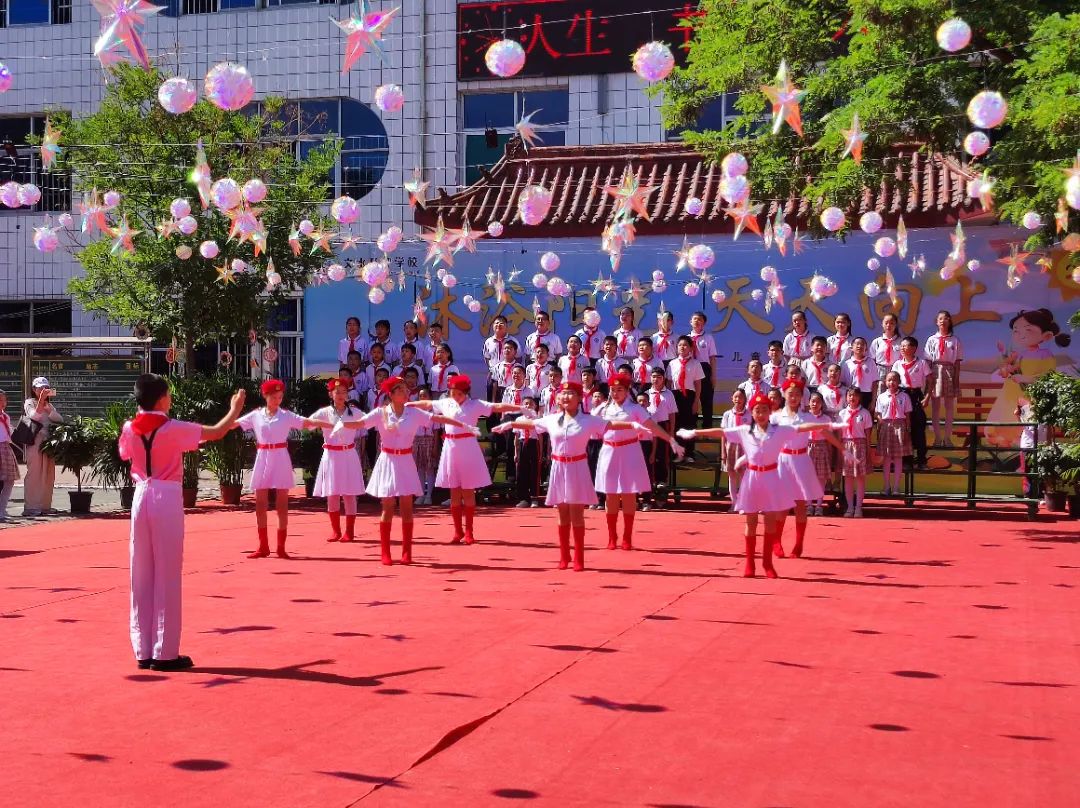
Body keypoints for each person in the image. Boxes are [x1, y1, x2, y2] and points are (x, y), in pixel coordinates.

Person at [119, 373, 245, 671]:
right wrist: (235, 408)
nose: (171, 399)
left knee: (141, 574)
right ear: (161, 398)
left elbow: (125, 454)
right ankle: (165, 653)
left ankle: (144, 649)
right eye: (168, 395)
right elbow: (215, 432)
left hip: (140, 496)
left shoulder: (128, 427)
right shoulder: (172, 427)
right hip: (166, 495)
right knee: (167, 574)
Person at [492, 382, 647, 571]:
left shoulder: (588, 420)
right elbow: (532, 423)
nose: (566, 397)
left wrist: (634, 424)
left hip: (578, 467)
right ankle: (564, 555)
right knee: (562, 513)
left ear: (580, 399)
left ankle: (579, 557)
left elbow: (610, 424)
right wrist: (510, 423)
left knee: (577, 514)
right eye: (563, 394)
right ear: (558, 398)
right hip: (558, 468)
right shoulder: (552, 419)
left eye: (571, 394)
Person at [679, 393, 838, 577]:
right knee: (751, 521)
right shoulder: (745, 430)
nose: (761, 414)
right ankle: (750, 563)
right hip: (752, 478)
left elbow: (803, 428)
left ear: (770, 412)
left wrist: (828, 425)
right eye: (757, 410)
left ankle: (767, 563)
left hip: (771, 476)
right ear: (752, 413)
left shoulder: (779, 430)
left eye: (764, 410)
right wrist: (695, 432)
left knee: (770, 521)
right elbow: (721, 432)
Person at [351, 376, 474, 564]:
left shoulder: (413, 413)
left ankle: (406, 552)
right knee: (388, 506)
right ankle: (385, 552)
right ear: (390, 394)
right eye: (400, 390)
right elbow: (360, 424)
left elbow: (435, 418)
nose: (405, 392)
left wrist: (462, 424)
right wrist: (339, 425)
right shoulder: (380, 412)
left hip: (406, 460)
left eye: (405, 389)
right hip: (387, 461)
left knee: (407, 507)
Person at [408, 374, 522, 544]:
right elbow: (427, 404)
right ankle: (457, 530)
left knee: (468, 492)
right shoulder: (446, 402)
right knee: (454, 492)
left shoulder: (475, 404)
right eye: (453, 393)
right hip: (450, 448)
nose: (455, 397)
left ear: (466, 392)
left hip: (468, 447)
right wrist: (409, 404)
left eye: (459, 394)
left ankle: (469, 531)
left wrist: (518, 408)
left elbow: (497, 406)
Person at [237, 380, 334, 559]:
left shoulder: (286, 415)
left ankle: (281, 547)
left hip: (280, 456)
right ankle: (263, 546)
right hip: (263, 457)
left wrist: (331, 424)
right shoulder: (256, 415)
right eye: (273, 397)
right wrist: (210, 433)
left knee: (282, 504)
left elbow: (306, 422)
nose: (277, 400)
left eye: (280, 397)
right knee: (260, 503)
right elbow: (233, 424)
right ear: (265, 396)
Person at [593, 373, 683, 550]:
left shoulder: (635, 409)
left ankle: (627, 536)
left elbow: (652, 426)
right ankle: (612, 535)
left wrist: (670, 439)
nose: (616, 393)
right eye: (613, 390)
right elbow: (589, 426)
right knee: (610, 494)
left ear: (627, 391)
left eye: (620, 390)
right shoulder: (602, 408)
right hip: (609, 451)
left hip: (629, 451)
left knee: (628, 494)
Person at [771, 380, 844, 558]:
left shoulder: (807, 416)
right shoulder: (776, 417)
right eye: (790, 393)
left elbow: (826, 433)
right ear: (784, 394)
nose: (794, 397)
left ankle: (798, 543)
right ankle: (777, 541)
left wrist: (843, 449)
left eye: (797, 394)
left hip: (802, 460)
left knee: (800, 505)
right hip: (783, 461)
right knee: (782, 506)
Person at [311, 379, 366, 544]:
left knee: (349, 494)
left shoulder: (354, 412)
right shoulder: (324, 412)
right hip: (331, 455)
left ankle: (349, 531)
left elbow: (371, 421)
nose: (341, 395)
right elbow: (307, 424)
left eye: (344, 392)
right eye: (337, 392)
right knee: (332, 494)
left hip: (348, 454)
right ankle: (336, 531)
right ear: (331, 394)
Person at [22, 377, 63, 517]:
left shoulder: (49, 405)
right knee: (35, 473)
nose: (43, 391)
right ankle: (31, 507)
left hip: (48, 443)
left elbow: (60, 420)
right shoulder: (29, 402)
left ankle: (45, 506)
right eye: (40, 388)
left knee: (48, 474)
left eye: (45, 388)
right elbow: (34, 417)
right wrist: (41, 403)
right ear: (34, 390)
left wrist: (49, 410)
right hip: (35, 441)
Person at [924, 309, 963, 447]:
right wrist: (928, 380)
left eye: (946, 318)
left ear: (950, 321)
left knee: (949, 406)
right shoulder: (931, 339)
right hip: (935, 370)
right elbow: (928, 361)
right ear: (936, 322)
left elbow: (957, 362)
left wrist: (956, 380)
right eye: (940, 318)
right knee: (935, 407)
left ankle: (947, 438)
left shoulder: (955, 340)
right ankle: (937, 438)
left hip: (950, 371)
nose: (943, 320)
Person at [834, 386, 874, 517]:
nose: (852, 398)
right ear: (846, 397)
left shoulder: (865, 414)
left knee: (860, 478)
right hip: (846, 445)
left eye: (855, 395)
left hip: (860, 445)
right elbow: (840, 435)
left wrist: (868, 452)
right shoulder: (842, 414)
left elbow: (868, 435)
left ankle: (858, 507)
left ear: (860, 397)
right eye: (850, 395)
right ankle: (850, 507)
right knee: (848, 478)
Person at [892, 336, 931, 469]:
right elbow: (893, 382)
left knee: (919, 427)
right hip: (902, 396)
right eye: (901, 346)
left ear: (914, 348)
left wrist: (927, 397)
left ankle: (921, 460)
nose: (902, 348)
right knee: (904, 429)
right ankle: (907, 460)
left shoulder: (922, 363)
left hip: (916, 396)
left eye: (905, 346)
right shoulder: (897, 364)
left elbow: (930, 380)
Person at [875, 371, 913, 496]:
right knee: (886, 459)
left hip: (900, 426)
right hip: (886, 426)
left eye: (894, 380)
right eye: (889, 380)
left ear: (899, 382)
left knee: (898, 459)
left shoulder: (904, 397)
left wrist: (907, 429)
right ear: (885, 382)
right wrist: (881, 426)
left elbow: (907, 414)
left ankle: (896, 487)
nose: (892, 382)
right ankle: (886, 486)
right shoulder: (881, 397)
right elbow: (878, 414)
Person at [644, 367, 677, 499]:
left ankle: (661, 482)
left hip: (663, 425)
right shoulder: (646, 393)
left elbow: (672, 415)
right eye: (653, 376)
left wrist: (672, 432)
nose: (655, 379)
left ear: (663, 379)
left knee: (662, 455)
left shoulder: (669, 394)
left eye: (658, 377)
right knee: (649, 454)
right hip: (648, 426)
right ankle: (649, 483)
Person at [668, 335, 704, 453]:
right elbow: (668, 383)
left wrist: (696, 401)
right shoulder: (672, 363)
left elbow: (698, 384)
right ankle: (677, 453)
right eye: (680, 345)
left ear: (690, 348)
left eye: (685, 345)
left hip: (689, 396)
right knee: (676, 424)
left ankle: (689, 453)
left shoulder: (695, 364)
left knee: (689, 424)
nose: (682, 347)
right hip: (674, 395)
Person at [804, 392, 834, 516]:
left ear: (822, 404)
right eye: (813, 401)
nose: (815, 404)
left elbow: (830, 438)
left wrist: (830, 453)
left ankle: (819, 505)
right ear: (809, 403)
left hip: (822, 447)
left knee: (820, 478)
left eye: (818, 401)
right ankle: (809, 505)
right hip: (808, 448)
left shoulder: (826, 419)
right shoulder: (804, 418)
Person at [720, 388, 750, 512]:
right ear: (732, 398)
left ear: (745, 399)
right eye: (736, 397)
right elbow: (723, 434)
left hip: (744, 447)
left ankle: (744, 503)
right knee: (732, 476)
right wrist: (723, 451)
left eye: (740, 397)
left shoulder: (749, 414)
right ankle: (734, 503)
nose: (738, 399)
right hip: (731, 446)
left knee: (744, 476)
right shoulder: (727, 414)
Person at [688, 311, 718, 427]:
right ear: (690, 322)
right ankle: (691, 426)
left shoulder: (708, 338)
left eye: (700, 319)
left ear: (704, 323)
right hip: (690, 369)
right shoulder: (686, 338)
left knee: (706, 401)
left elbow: (712, 358)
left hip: (704, 368)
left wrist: (713, 376)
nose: (697, 321)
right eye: (695, 319)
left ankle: (707, 427)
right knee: (691, 399)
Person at [512, 396, 542, 507]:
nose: (527, 406)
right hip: (522, 443)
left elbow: (540, 437)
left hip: (533, 444)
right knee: (521, 471)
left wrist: (541, 453)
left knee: (533, 471)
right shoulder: (518, 420)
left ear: (534, 406)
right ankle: (523, 498)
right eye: (525, 404)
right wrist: (516, 452)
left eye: (530, 404)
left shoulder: (538, 419)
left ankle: (534, 497)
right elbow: (516, 437)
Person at [413, 386, 439, 505]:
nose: (422, 398)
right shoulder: (414, 411)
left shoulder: (434, 411)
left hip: (429, 440)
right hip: (417, 441)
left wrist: (434, 447)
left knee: (429, 469)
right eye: (420, 396)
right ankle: (421, 494)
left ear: (430, 397)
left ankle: (429, 495)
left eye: (425, 396)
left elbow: (436, 431)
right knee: (420, 469)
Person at [870, 313, 903, 395]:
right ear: (882, 324)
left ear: (896, 325)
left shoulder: (901, 342)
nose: (889, 325)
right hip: (880, 370)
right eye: (886, 323)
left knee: (895, 393)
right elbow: (872, 360)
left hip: (896, 370)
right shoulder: (877, 342)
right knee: (880, 393)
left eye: (892, 323)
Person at [0, 390, 19, 520]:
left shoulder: (5, 416)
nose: (2, 403)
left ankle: (2, 509)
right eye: (0, 400)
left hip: (6, 447)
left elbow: (9, 433)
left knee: (9, 480)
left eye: (4, 400)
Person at [843, 337, 876, 410]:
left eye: (862, 344)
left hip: (866, 395)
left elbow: (874, 383)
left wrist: (873, 401)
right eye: (857, 344)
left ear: (866, 349)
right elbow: (844, 384)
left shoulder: (871, 362)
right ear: (852, 348)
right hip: (852, 395)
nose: (859, 346)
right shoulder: (847, 364)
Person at [483, 315, 510, 402]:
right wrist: (492, 369)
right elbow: (486, 358)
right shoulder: (488, 342)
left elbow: (518, 357)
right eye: (496, 323)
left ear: (506, 326)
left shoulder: (512, 341)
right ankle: (492, 416)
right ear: (493, 326)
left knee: (505, 399)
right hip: (493, 374)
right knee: (491, 399)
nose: (498, 324)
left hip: (507, 374)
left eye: (501, 323)